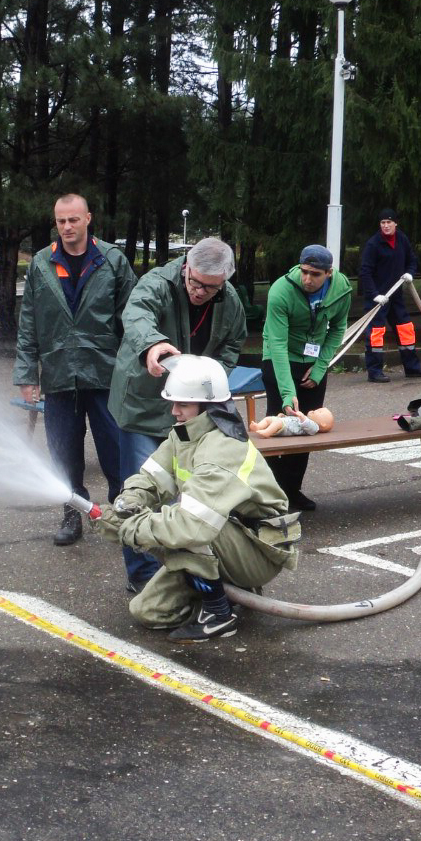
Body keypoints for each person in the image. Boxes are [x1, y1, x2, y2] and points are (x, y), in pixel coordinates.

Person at [98, 355, 300, 643]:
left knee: (186, 528)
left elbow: (192, 525)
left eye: (183, 404)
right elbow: (152, 477)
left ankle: (218, 615)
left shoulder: (223, 449)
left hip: (258, 551)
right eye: (173, 402)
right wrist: (127, 504)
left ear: (207, 406)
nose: (174, 411)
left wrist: (133, 528)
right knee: (147, 611)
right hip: (223, 538)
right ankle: (226, 589)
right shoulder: (184, 436)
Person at [107, 237, 247, 592]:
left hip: (194, 408)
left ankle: (183, 571)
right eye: (194, 282)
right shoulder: (157, 283)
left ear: (224, 282)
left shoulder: (230, 301)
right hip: (143, 404)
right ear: (186, 266)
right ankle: (142, 575)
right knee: (142, 486)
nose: (199, 291)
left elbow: (233, 342)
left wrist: (212, 376)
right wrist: (152, 343)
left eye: (210, 288)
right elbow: (136, 313)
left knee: (187, 492)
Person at [13, 193, 136, 545]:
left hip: (105, 373)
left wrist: (135, 370)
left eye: (73, 220)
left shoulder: (112, 260)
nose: (66, 227)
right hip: (59, 374)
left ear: (88, 219)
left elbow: (132, 318)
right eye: (61, 221)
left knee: (115, 449)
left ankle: (123, 514)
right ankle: (72, 513)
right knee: (63, 452)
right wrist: (26, 374)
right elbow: (28, 323)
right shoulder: (42, 263)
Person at [261, 245, 351, 512]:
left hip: (313, 360)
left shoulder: (342, 289)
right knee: (279, 426)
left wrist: (321, 366)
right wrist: (287, 393)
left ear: (328, 273)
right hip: (279, 356)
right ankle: (270, 496)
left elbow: (338, 328)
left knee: (308, 428)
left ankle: (292, 490)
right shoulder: (280, 290)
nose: (307, 279)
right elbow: (277, 344)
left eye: (315, 274)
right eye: (304, 271)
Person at [358, 208, 421, 383]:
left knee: (405, 328)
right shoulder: (373, 244)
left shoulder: (401, 239)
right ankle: (375, 371)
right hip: (378, 299)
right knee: (376, 333)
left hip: (396, 296)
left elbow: (411, 260)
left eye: (389, 222)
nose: (386, 226)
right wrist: (374, 295)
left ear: (395, 223)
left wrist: (410, 273)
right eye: (383, 222)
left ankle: (412, 367)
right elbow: (365, 272)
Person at [250, 407, 334, 438]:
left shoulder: (315, 427)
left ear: (323, 424)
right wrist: (284, 417)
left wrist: (302, 417)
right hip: (283, 423)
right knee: (268, 419)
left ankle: (267, 432)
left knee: (277, 423)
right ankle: (258, 427)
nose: (315, 410)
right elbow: (292, 420)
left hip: (286, 428)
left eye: (319, 412)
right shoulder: (306, 419)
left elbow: (308, 426)